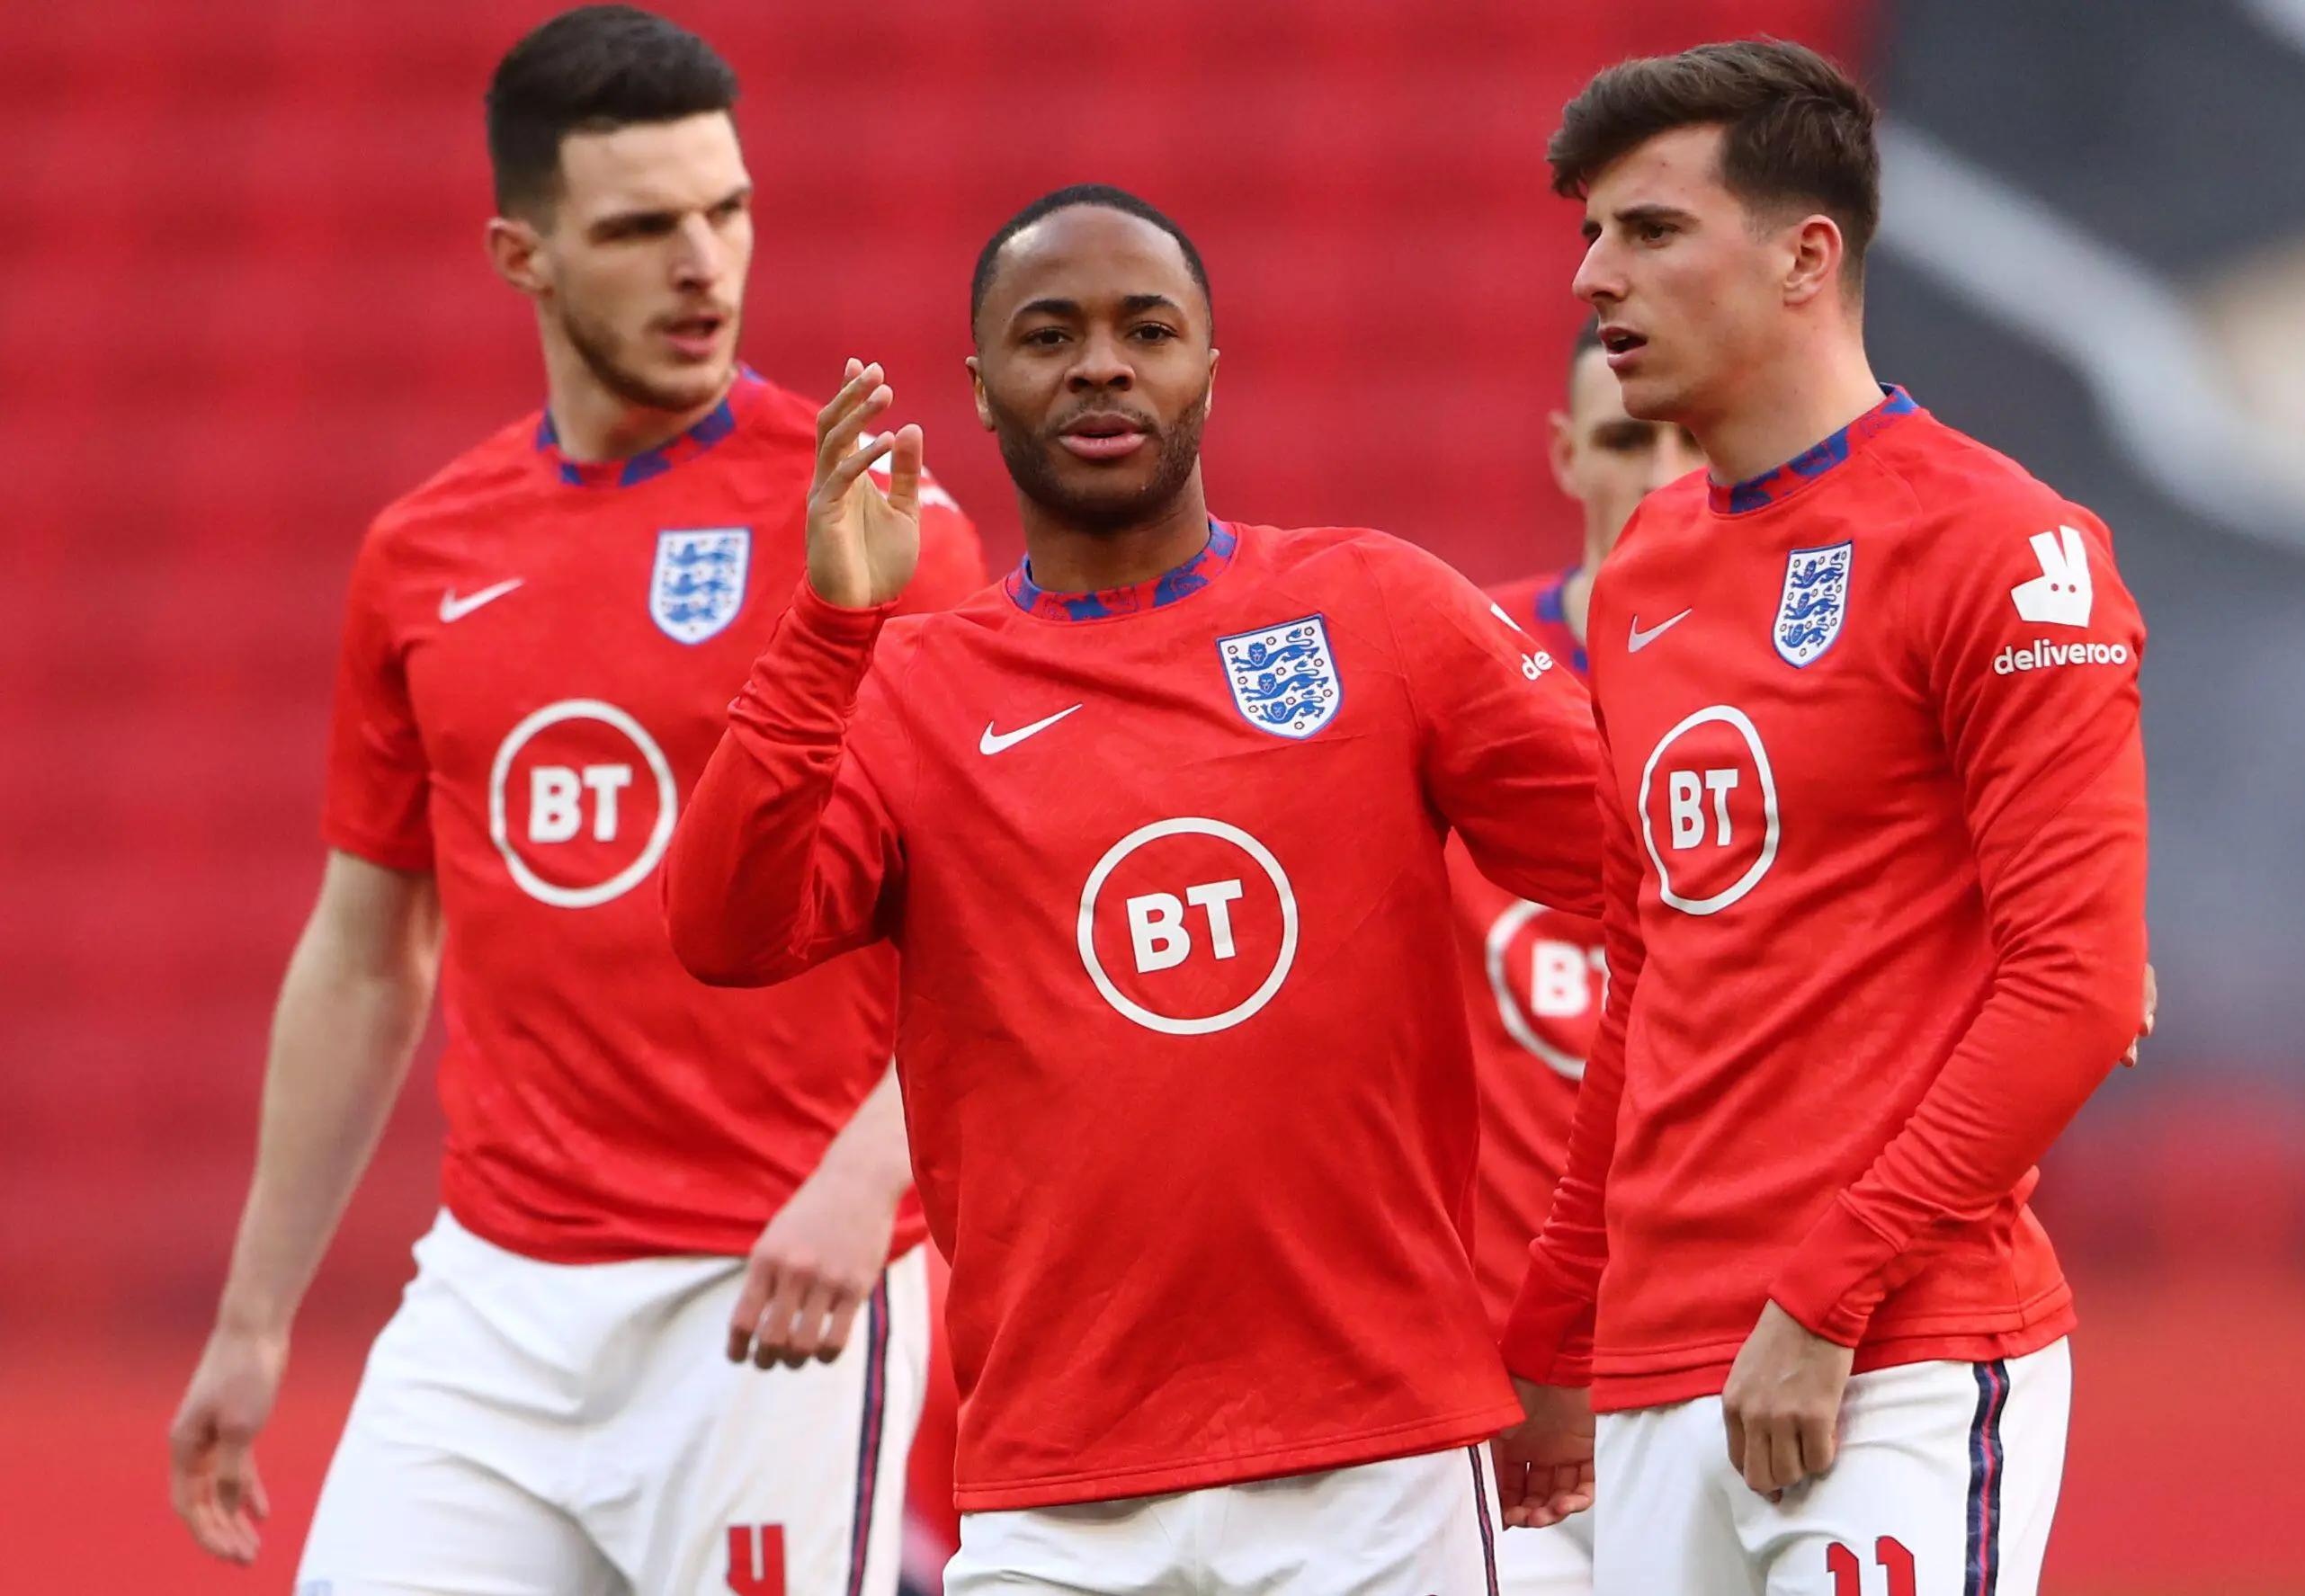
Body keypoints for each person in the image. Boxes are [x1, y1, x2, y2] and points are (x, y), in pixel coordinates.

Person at [663, 184, 1604, 1595]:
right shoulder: (913, 688)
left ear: (1207, 370)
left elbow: (1659, 886)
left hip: (1375, 1467)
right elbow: (724, 932)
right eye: (1049, 334)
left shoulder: (1378, 612)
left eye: (1144, 328)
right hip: (1058, 1488)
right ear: (980, 390)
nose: (1099, 362)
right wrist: (827, 625)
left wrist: (1579, 1297)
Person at [165, 10, 983, 1593]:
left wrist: (874, 1177)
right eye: (639, 227)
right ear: (520, 253)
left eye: (726, 211)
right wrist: (255, 1318)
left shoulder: (872, 523)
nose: (703, 265)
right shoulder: (424, 550)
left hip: (774, 1293)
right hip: (497, 1293)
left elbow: (996, 903)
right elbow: (363, 952)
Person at [1489, 40, 2150, 1596]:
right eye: (1589, 233)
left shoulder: (2007, 547)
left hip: (1893, 1356)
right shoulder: (1643, 568)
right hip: (1657, 1366)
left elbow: (2075, 986)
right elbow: (1648, 976)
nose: (1594, 275)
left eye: (1648, 230)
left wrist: (1824, 1298)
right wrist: (1555, 1319)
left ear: (1805, 257)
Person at [1456, 323, 1702, 1596]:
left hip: (1721, 1357)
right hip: (1497, 1394)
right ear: (1564, 455)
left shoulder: (1814, 690)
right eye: (1621, 440)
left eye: (1684, 439)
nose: (1658, 473)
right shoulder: (1458, 676)